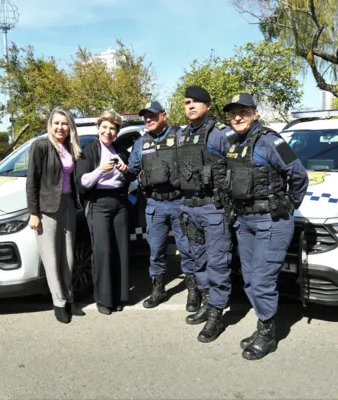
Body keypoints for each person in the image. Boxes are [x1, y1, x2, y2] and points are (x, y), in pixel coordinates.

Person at [219, 93, 309, 361]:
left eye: (243, 112)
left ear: (255, 113)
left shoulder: (272, 141)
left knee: (261, 280)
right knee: (249, 279)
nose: (237, 117)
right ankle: (263, 324)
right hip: (245, 222)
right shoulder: (234, 143)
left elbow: (299, 176)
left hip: (271, 221)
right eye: (233, 112)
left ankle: (267, 335)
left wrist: (289, 205)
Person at [127, 101, 205, 312]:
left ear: (164, 115)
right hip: (155, 204)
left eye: (152, 115)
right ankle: (158, 289)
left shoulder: (180, 136)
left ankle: (193, 291)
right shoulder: (140, 144)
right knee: (156, 250)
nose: (148, 120)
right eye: (145, 117)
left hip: (180, 202)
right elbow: (131, 170)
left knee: (187, 248)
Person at [177, 85, 234, 343]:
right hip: (190, 208)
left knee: (217, 263)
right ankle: (208, 302)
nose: (190, 106)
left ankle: (216, 314)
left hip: (214, 208)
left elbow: (239, 167)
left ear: (207, 106)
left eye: (196, 102)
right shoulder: (183, 135)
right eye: (187, 102)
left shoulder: (220, 134)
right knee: (197, 259)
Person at [26, 107, 84, 324]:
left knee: (68, 256)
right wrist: (34, 213)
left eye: (65, 123)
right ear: (50, 125)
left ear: (70, 127)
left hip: (69, 205)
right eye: (56, 123)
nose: (60, 127)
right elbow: (31, 181)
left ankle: (69, 298)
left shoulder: (71, 148)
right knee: (51, 258)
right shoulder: (40, 146)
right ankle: (58, 302)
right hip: (47, 209)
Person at [76, 110, 134, 315]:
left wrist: (126, 172)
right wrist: (100, 170)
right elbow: (82, 183)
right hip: (98, 203)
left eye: (113, 128)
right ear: (98, 128)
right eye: (105, 127)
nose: (108, 132)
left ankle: (119, 296)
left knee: (121, 250)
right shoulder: (88, 151)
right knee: (102, 251)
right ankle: (103, 299)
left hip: (120, 202)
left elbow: (131, 178)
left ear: (117, 132)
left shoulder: (121, 150)